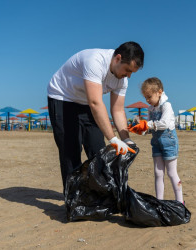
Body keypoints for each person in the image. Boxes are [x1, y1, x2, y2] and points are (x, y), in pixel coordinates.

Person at [47, 41, 144, 192]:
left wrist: (126, 139)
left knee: (98, 150)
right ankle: (73, 198)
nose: (129, 76)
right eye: (128, 70)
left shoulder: (122, 79)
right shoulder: (95, 61)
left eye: (132, 72)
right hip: (63, 98)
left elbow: (117, 110)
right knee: (71, 151)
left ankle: (98, 196)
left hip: (86, 101)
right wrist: (113, 139)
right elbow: (95, 102)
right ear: (117, 58)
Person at [130, 77, 184, 204]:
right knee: (158, 173)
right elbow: (149, 129)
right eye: (146, 98)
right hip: (156, 143)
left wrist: (146, 125)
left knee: (171, 173)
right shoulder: (150, 109)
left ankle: (180, 202)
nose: (147, 100)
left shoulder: (167, 106)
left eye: (149, 97)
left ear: (159, 92)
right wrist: (139, 129)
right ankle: (159, 202)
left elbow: (164, 123)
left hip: (169, 142)